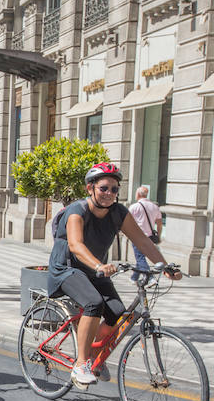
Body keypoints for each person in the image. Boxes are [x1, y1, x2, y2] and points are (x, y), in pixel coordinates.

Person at [49, 163, 181, 387]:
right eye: (103, 188)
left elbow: (141, 240)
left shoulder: (118, 213)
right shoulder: (77, 211)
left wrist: (164, 266)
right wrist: (99, 265)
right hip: (67, 268)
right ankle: (81, 363)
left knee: (118, 314)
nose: (109, 193)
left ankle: (91, 354)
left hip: (94, 270)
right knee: (93, 303)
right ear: (90, 188)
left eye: (114, 189)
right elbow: (75, 245)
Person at [127, 186, 163, 280]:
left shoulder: (134, 207)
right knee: (140, 257)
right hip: (150, 237)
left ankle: (150, 278)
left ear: (138, 194)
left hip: (138, 237)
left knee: (140, 258)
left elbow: (127, 222)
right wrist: (158, 236)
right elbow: (159, 224)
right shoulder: (154, 207)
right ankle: (134, 278)